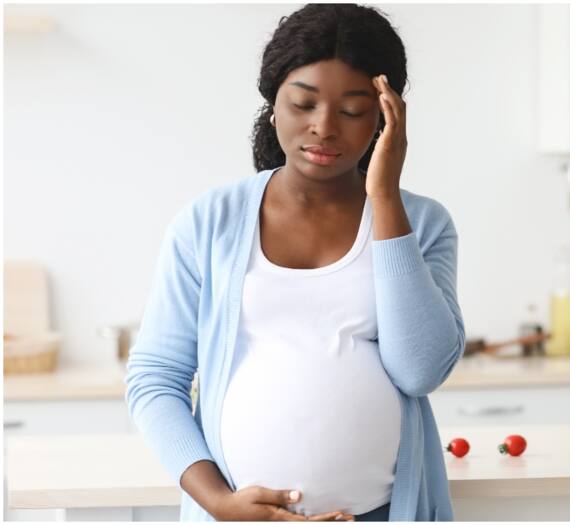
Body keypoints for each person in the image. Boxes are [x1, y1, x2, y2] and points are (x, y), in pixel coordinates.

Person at [125, 4, 464, 521]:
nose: (324, 128)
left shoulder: (423, 222)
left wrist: (386, 199)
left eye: (352, 111)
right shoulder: (209, 221)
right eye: (303, 104)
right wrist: (218, 502)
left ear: (385, 114)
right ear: (273, 104)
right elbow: (155, 378)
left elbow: (419, 370)